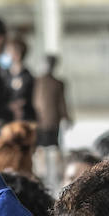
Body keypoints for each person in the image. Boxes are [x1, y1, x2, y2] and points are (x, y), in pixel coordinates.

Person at [33, 55, 72, 184]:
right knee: (42, 148)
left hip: (49, 120)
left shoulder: (56, 82)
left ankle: (53, 173)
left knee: (51, 148)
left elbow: (62, 102)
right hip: (42, 120)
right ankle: (44, 172)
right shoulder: (36, 81)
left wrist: (66, 116)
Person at [2, 36, 36, 123]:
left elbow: (29, 99)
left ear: (18, 53)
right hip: (6, 120)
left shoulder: (28, 77)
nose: (6, 53)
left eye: (9, 51)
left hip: (25, 121)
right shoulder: (4, 75)